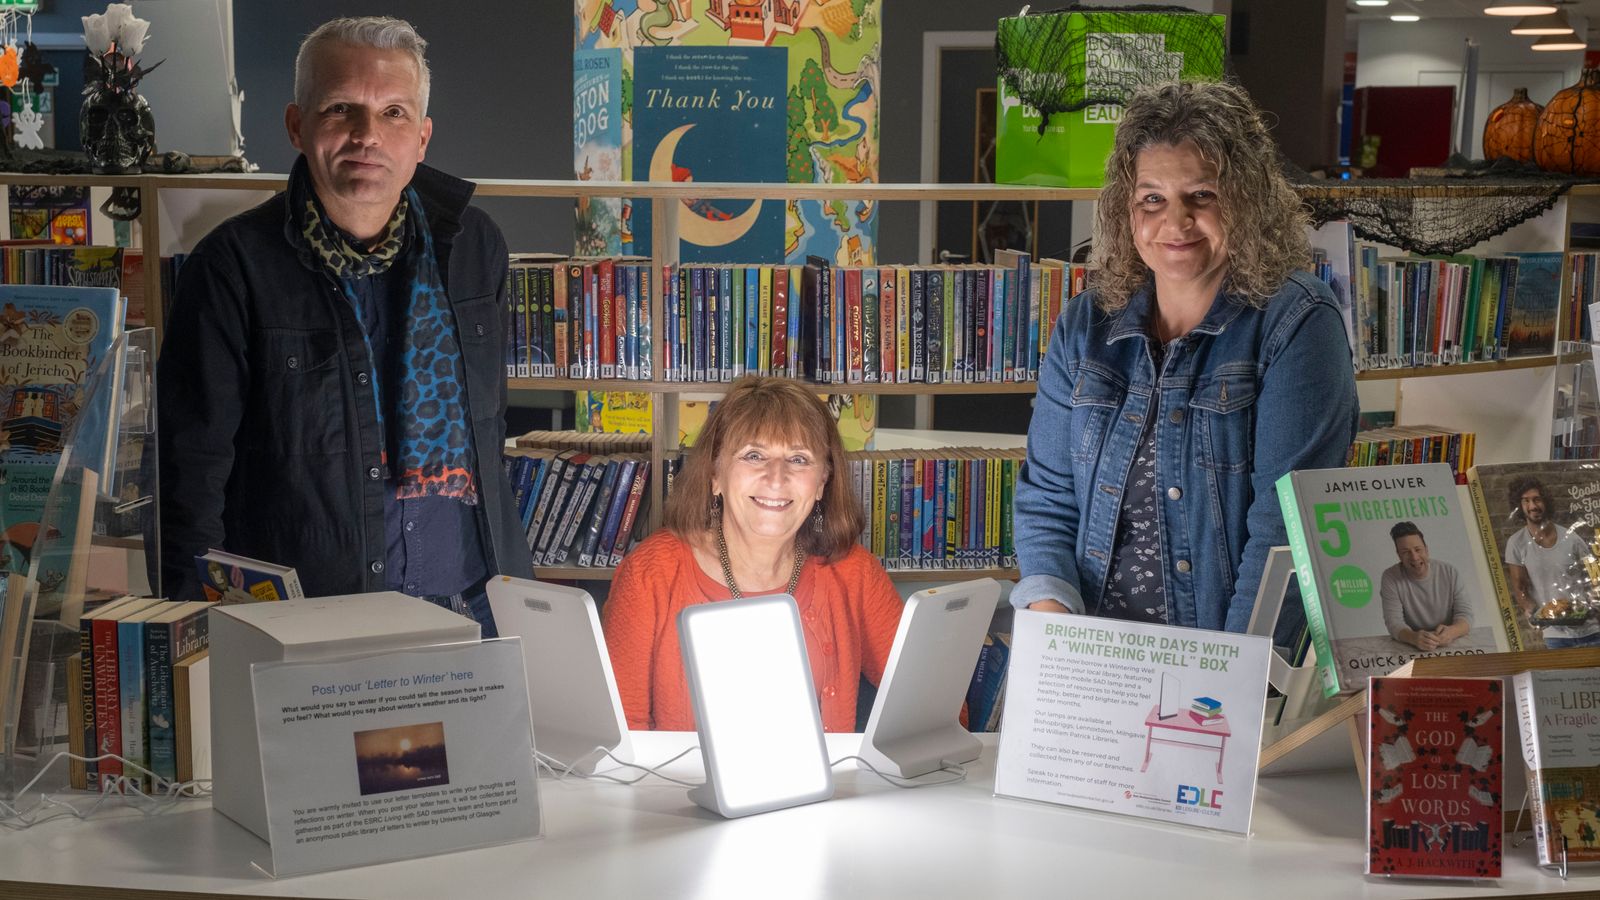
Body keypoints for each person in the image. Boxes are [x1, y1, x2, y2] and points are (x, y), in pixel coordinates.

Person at [156, 17, 533, 633]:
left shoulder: (476, 249)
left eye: (393, 113)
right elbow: (190, 478)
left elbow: (486, 438)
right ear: (297, 127)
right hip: (310, 625)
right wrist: (195, 637)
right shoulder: (232, 267)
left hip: (471, 609)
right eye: (340, 109)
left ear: (423, 137)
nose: (368, 136)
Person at [1011, 79, 1358, 634]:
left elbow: (1284, 534)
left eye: (1202, 196)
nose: (1174, 223)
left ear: (1246, 201)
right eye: (1152, 198)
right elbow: (1048, 500)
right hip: (1090, 659)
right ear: (1126, 210)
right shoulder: (1085, 323)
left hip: (1220, 666)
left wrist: (1230, 680)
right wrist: (1057, 641)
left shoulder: (1297, 324)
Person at [602, 376, 902, 732]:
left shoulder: (853, 572)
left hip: (826, 789)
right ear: (715, 473)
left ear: (822, 482)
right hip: (682, 788)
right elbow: (621, 742)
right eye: (754, 455)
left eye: (799, 458)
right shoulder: (650, 574)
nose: (776, 478)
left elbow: (928, 706)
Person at [1503, 477, 1600, 649]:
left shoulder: (1572, 538)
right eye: (1526, 501)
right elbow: (1520, 588)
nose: (1532, 506)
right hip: (1555, 636)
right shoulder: (1516, 543)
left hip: (1591, 631)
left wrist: (1594, 600)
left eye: (1537, 499)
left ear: (1546, 502)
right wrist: (1530, 610)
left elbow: (1595, 577)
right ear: (1519, 506)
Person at [1378, 522, 1472, 651]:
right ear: (1399, 555)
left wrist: (1452, 632)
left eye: (1418, 549)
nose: (1414, 557)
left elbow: (1466, 615)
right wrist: (1413, 637)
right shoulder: (1390, 577)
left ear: (1426, 550)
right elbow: (1393, 622)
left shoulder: (1449, 572)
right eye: (1406, 552)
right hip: (1414, 647)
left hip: (1450, 645)